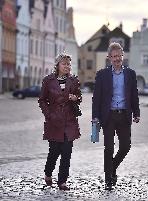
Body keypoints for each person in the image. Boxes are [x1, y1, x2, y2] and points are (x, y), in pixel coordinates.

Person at [92, 42, 140, 190]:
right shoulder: (102, 75)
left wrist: (136, 112)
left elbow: (134, 95)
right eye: (113, 56)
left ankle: (111, 169)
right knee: (109, 148)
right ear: (109, 58)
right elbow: (96, 97)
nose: (116, 59)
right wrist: (95, 116)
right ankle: (108, 180)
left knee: (126, 146)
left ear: (122, 55)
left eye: (119, 55)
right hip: (109, 116)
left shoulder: (130, 74)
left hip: (124, 115)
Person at [38, 53, 82, 191]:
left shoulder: (74, 80)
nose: (67, 66)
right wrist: (48, 114)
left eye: (69, 64)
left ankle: (62, 181)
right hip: (54, 121)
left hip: (69, 120)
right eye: (64, 64)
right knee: (54, 151)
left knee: (67, 152)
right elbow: (42, 100)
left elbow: (79, 97)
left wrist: (75, 98)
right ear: (57, 65)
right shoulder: (48, 81)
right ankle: (48, 172)